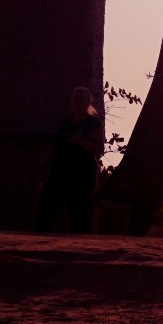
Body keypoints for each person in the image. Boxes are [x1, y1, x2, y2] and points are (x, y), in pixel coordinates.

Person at [35, 85, 102, 232]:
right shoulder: (66, 121)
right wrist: (42, 169)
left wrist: (81, 141)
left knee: (79, 211)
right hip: (60, 170)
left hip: (82, 172)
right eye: (75, 99)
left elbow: (99, 149)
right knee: (47, 208)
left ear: (88, 102)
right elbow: (56, 147)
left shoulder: (93, 123)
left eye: (82, 99)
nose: (78, 102)